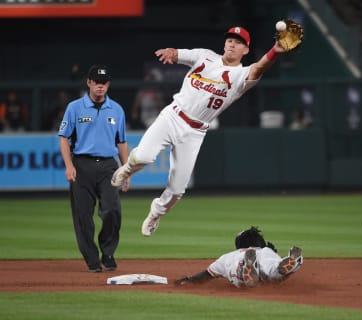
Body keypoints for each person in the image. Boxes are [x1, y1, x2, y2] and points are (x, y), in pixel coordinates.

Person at [111, 25, 292, 237]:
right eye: (230, 40)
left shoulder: (241, 76)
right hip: (172, 116)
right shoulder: (205, 56)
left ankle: (155, 213)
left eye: (238, 42)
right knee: (142, 156)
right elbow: (180, 54)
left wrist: (274, 52)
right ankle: (126, 170)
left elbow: (259, 68)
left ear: (246, 50)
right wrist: (172, 53)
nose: (232, 44)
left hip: (195, 132)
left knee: (177, 190)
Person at [58, 64, 130, 273]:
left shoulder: (116, 109)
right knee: (83, 216)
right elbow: (63, 138)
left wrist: (126, 171)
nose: (100, 86)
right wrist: (69, 165)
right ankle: (91, 258)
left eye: (104, 82)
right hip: (82, 164)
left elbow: (122, 141)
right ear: (88, 82)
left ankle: (107, 253)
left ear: (108, 84)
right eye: (96, 82)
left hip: (109, 166)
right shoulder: (74, 107)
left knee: (112, 211)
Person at [174, 226, 304, 288]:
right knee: (273, 271)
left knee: (236, 270)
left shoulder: (227, 256)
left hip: (239, 260)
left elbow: (206, 275)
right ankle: (290, 263)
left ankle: (244, 270)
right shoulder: (266, 250)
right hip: (265, 255)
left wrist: (188, 280)